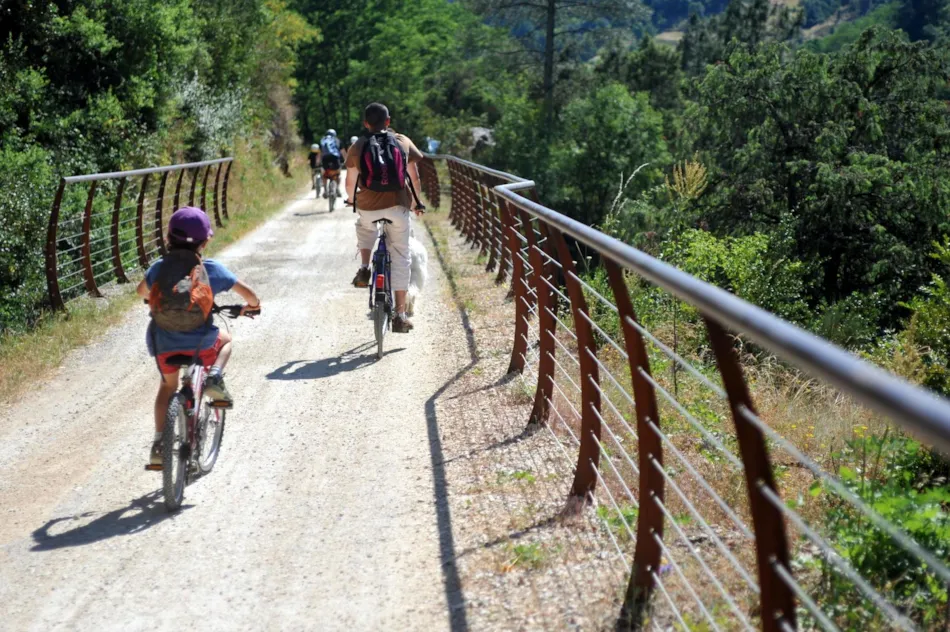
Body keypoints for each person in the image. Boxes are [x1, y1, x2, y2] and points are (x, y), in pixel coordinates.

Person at [136, 207, 261, 467]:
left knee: (167, 387)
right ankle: (214, 375)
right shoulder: (210, 269)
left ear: (168, 238)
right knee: (226, 340)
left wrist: (156, 297)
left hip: (164, 344)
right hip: (201, 344)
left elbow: (141, 291)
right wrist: (252, 306)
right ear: (205, 242)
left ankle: (159, 445)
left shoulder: (160, 267)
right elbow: (250, 295)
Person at [345, 103, 425, 333]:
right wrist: (416, 203)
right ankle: (400, 315)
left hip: (368, 207)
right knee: (401, 256)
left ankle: (364, 268)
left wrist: (351, 200)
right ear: (388, 121)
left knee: (365, 227)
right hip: (398, 206)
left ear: (365, 123)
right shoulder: (402, 141)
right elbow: (414, 178)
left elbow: (350, 182)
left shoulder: (358, 145)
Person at [319, 129, 343, 198]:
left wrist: (318, 162)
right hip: (335, 159)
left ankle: (325, 191)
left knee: (324, 175)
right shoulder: (337, 140)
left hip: (325, 159)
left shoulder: (323, 140)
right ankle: (337, 189)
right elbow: (343, 152)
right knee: (338, 174)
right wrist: (347, 161)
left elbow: (320, 153)